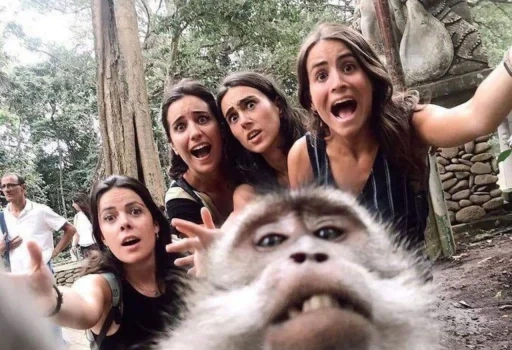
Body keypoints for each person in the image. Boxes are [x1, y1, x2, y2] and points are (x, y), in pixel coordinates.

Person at [288, 22, 512, 246]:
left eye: (348, 67)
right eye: (321, 76)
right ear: (310, 100)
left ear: (371, 80)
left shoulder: (408, 125)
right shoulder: (305, 156)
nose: (337, 83)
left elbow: (475, 116)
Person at [7, 175, 184, 350]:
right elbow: (84, 305)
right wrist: (50, 299)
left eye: (135, 211)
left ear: (155, 223)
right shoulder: (104, 284)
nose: (124, 223)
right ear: (101, 237)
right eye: (110, 218)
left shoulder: (184, 270)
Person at [161, 79, 241, 231]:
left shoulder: (249, 163)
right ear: (173, 145)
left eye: (202, 119)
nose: (195, 133)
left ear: (221, 127)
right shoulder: (179, 199)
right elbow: (206, 249)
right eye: (180, 127)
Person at [217, 71, 305, 189]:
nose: (243, 122)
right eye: (233, 118)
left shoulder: (321, 150)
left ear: (278, 106)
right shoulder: (251, 189)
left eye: (250, 105)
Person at [0, 173, 76, 273]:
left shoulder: (40, 211)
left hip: (41, 274)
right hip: (15, 278)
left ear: (23, 187)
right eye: (3, 186)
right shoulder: (2, 217)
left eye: (11, 185)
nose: (6, 189)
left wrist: (54, 253)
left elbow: (70, 229)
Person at [71, 192, 98, 259]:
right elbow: (76, 233)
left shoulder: (93, 213)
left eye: (74, 202)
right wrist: (73, 245)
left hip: (95, 245)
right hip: (84, 248)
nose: (73, 205)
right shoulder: (77, 217)